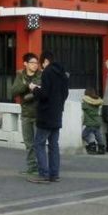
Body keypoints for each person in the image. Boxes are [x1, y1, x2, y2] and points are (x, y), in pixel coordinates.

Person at [27, 51, 69, 184]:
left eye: (41, 63)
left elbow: (44, 94)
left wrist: (34, 89)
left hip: (46, 114)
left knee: (39, 143)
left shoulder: (47, 72)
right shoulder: (62, 74)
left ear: (45, 61)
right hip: (57, 113)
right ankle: (54, 174)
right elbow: (65, 93)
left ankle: (43, 174)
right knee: (53, 145)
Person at [10, 52, 41, 175]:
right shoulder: (20, 76)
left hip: (39, 113)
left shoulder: (41, 75)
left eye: (36, 63)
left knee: (39, 143)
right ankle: (31, 167)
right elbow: (13, 91)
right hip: (26, 113)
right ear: (25, 64)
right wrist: (28, 85)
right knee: (29, 143)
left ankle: (41, 167)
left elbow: (41, 89)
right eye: (32, 63)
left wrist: (32, 88)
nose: (35, 65)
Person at [81, 88, 104, 155]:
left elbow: (82, 107)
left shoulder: (85, 104)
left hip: (90, 123)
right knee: (98, 135)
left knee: (84, 135)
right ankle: (101, 148)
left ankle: (92, 145)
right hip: (97, 122)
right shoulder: (96, 103)